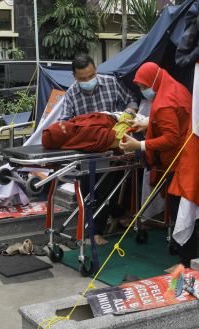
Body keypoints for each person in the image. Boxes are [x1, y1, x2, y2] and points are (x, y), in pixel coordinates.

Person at [120, 61, 199, 267]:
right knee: (196, 203)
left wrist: (140, 144)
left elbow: (170, 138)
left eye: (143, 87)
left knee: (181, 208)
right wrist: (147, 123)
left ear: (153, 81)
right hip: (192, 152)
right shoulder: (174, 85)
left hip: (181, 160)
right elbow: (176, 119)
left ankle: (186, 262)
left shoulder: (164, 103)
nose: (142, 91)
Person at [60, 54, 139, 245]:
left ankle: (107, 222)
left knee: (110, 188)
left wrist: (129, 111)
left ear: (95, 70)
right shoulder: (71, 94)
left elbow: (132, 100)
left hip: (114, 147)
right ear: (74, 77)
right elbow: (63, 121)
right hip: (88, 151)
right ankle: (95, 230)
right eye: (82, 79)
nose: (87, 81)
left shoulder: (111, 83)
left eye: (90, 76)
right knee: (91, 191)